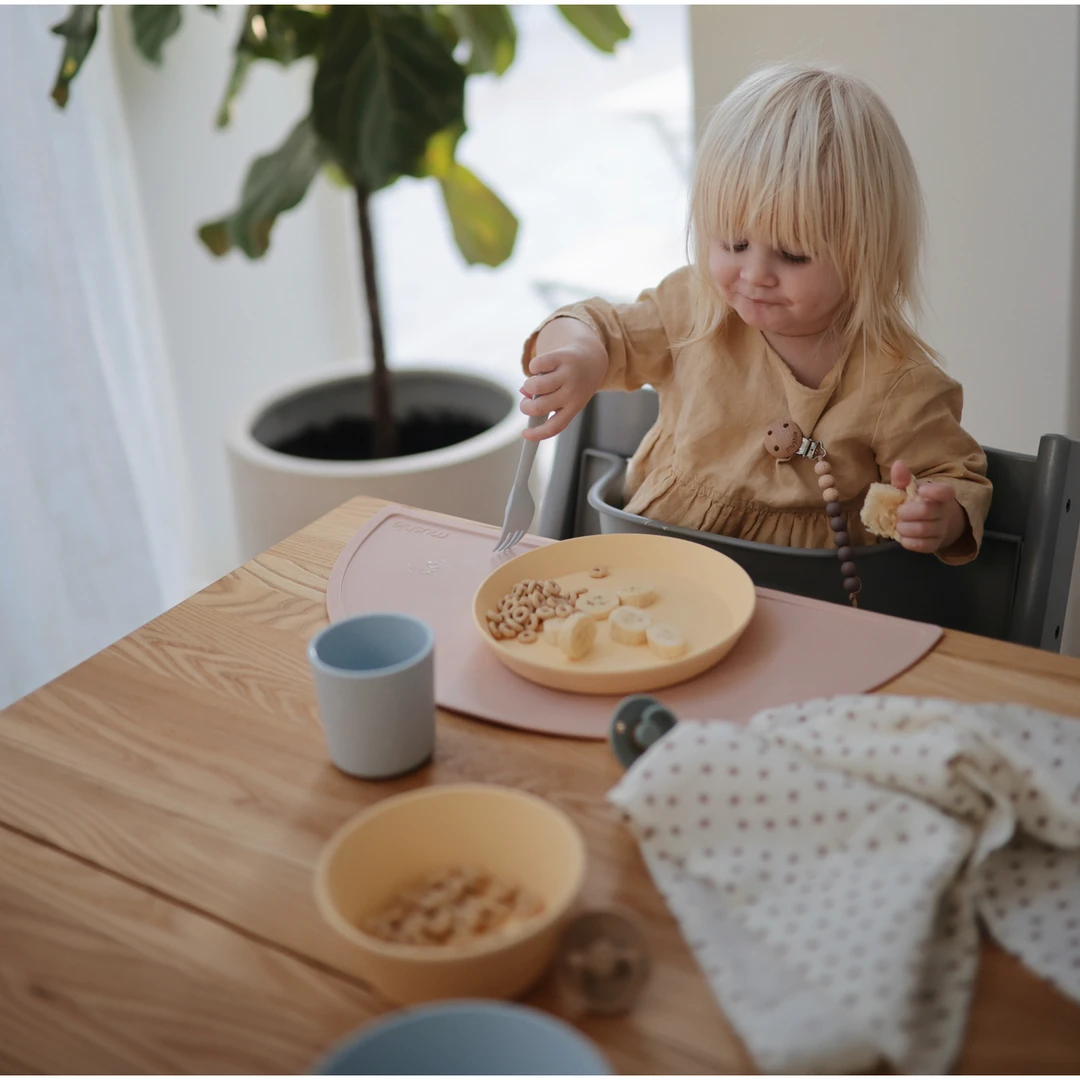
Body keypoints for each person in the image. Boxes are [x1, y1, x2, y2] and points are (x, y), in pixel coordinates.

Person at [518, 63, 991, 564]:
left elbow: (953, 476)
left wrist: (940, 515)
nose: (755, 274)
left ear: (865, 254)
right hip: (660, 569)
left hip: (803, 596)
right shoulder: (695, 309)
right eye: (734, 243)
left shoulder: (896, 381)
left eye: (793, 255)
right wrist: (580, 351)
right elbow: (603, 328)